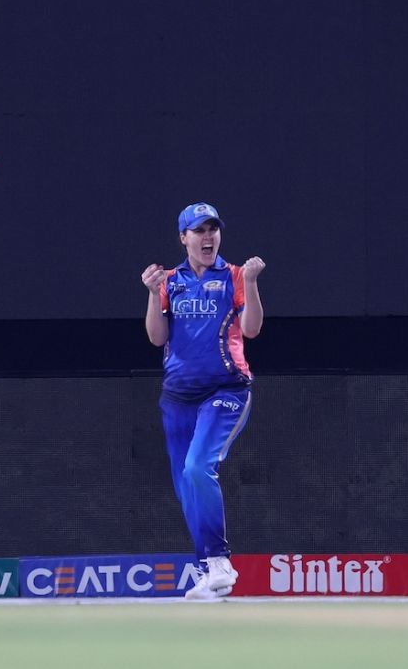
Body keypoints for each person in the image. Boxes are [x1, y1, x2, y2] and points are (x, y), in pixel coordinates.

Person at [141, 203, 265, 600]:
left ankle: (219, 562)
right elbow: (157, 338)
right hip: (178, 397)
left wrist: (252, 281)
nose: (208, 237)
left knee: (198, 467)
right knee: (186, 486)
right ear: (184, 238)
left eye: (213, 230)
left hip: (225, 390)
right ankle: (208, 572)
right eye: (199, 231)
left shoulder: (233, 276)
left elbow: (252, 329)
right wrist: (150, 293)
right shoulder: (169, 281)